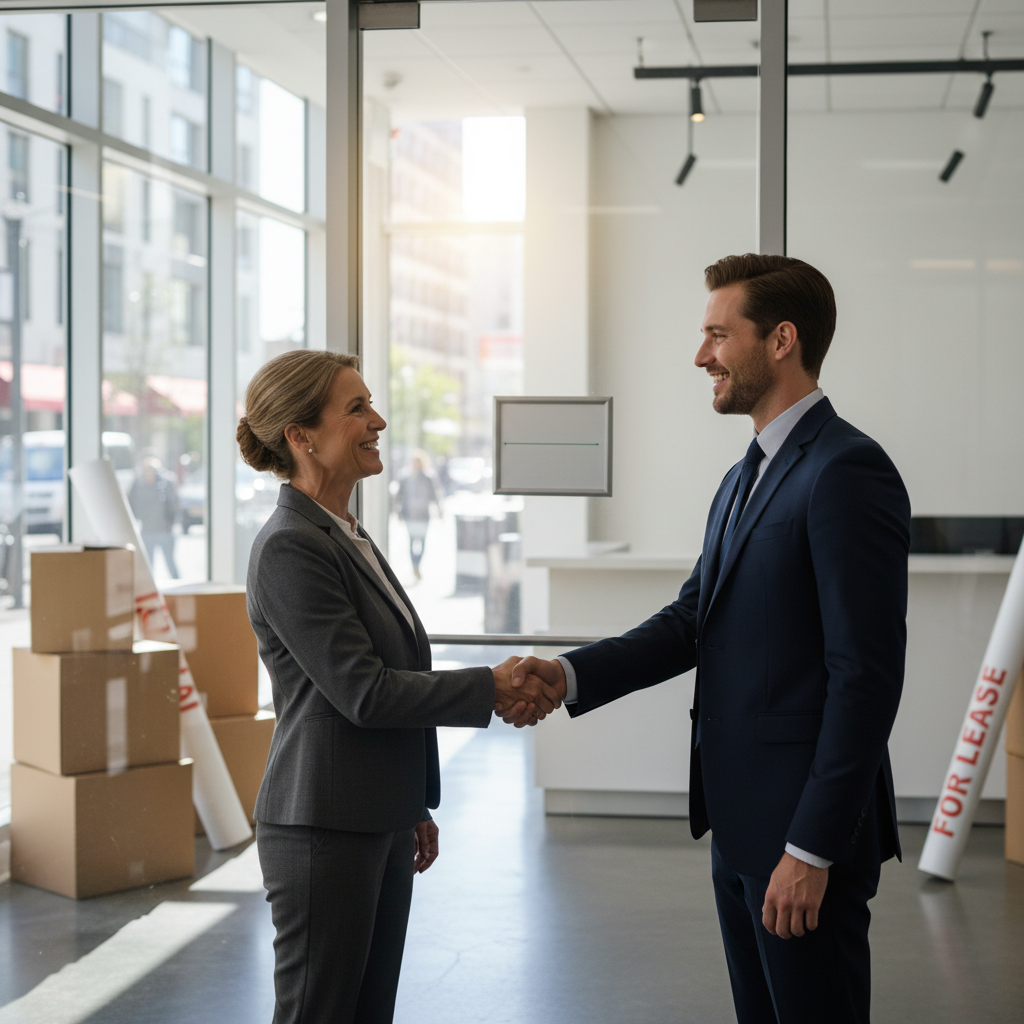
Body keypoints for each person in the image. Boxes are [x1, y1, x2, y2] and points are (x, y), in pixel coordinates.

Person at [511, 254, 910, 1024]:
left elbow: (865, 676)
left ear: (782, 339)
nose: (702, 357)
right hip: (738, 827)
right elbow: (692, 620)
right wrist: (566, 675)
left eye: (718, 335)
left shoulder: (846, 470)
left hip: (801, 840)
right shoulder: (745, 476)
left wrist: (812, 850)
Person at [236, 349, 559, 1024]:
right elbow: (364, 691)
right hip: (323, 827)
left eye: (370, 403)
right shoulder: (290, 545)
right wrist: (491, 687)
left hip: (370, 815)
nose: (377, 419)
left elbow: (384, 675)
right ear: (300, 435)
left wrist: (409, 801)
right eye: (356, 409)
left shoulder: (346, 534)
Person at [393, 450, 442, 580]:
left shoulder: (428, 477)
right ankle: (414, 566)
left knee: (422, 541)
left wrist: (439, 510)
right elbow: (399, 495)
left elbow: (435, 495)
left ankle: (417, 564)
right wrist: (397, 511)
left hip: (423, 515)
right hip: (409, 514)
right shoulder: (405, 477)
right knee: (411, 541)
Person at [128, 456, 180, 578]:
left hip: (164, 531)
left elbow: (174, 506)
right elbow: (130, 504)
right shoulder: (137, 485)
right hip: (147, 531)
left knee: (170, 563)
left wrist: (170, 525)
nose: (148, 473)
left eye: (151, 470)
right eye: (146, 470)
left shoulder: (166, 484)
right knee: (148, 565)